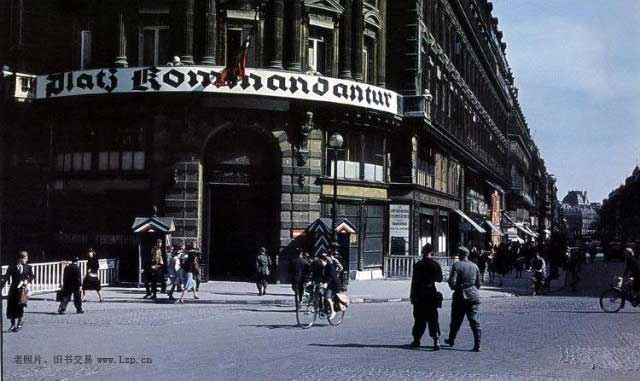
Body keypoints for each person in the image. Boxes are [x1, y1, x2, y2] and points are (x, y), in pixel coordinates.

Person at [445, 246, 482, 352]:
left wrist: (453, 286)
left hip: (460, 297)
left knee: (456, 320)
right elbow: (478, 284)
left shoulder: (457, 265)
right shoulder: (475, 266)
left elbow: (452, 282)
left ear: (460, 254)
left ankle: (451, 340)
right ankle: (477, 344)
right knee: (474, 321)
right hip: (473, 296)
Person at [409, 243, 443, 350]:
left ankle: (416, 340)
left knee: (419, 319)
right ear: (431, 252)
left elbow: (414, 282)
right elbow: (440, 279)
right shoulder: (435, 265)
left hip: (419, 295)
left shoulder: (418, 265)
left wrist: (412, 296)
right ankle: (436, 340)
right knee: (433, 318)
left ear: (423, 252)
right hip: (431, 293)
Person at [2, 251, 34, 332]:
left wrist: (27, 280)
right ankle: (12, 325)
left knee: (20, 306)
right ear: (20, 259)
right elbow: (6, 278)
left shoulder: (28, 267)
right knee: (11, 307)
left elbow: (32, 276)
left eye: (26, 258)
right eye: (25, 258)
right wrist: (1, 286)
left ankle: (19, 323)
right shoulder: (11, 267)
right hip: (13, 289)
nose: (26, 260)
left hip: (23, 290)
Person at [317, 254, 342, 320]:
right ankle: (325, 309)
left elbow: (331, 277)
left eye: (321, 261)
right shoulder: (322, 267)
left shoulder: (330, 267)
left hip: (334, 284)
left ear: (325, 260)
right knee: (320, 293)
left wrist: (326, 283)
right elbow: (320, 276)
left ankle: (333, 312)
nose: (320, 263)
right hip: (328, 284)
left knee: (328, 297)